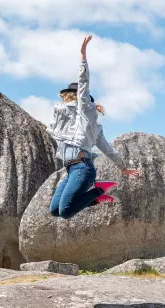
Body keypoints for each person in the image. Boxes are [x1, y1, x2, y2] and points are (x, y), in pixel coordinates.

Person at [47, 35, 140, 219]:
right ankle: (95, 195)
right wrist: (123, 167)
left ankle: (97, 192)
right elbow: (108, 149)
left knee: (65, 212)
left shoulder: (85, 110)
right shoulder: (68, 119)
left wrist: (83, 55)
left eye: (69, 94)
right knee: (54, 210)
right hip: (71, 169)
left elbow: (83, 83)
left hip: (83, 168)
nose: (65, 97)